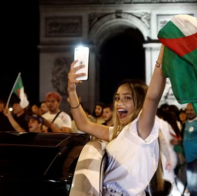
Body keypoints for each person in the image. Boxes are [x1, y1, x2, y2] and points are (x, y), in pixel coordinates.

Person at [67, 44, 169, 195]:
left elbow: (152, 97)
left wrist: (162, 57)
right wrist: (71, 90)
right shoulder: (117, 133)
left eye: (127, 98)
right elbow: (83, 124)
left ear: (140, 102)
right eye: (117, 98)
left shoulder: (141, 130)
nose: (119, 103)